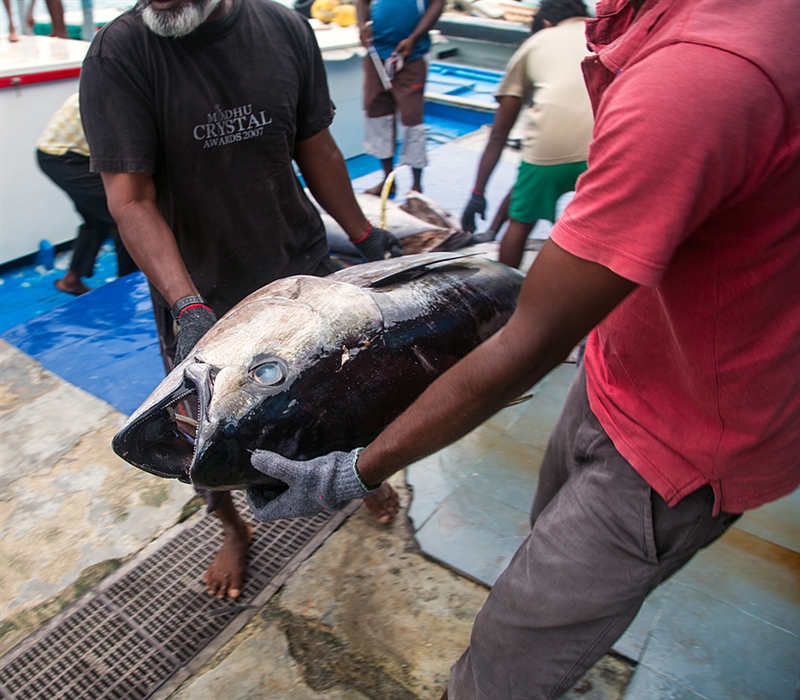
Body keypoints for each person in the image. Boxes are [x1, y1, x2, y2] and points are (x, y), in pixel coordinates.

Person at [242, 0, 800, 697]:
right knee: (543, 549)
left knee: (505, 663)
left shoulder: (699, 78)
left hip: (681, 447)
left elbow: (528, 342)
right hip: (619, 373)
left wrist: (358, 468)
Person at [79, 0, 402, 600]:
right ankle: (231, 528)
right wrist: (186, 306)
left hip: (300, 271)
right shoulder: (119, 54)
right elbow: (130, 199)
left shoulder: (285, 28)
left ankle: (361, 474)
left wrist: (364, 234)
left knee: (341, 397)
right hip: (202, 294)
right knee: (200, 440)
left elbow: (318, 148)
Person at [461, 0, 593, 268]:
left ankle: (505, 296)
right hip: (605, 149)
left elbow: (499, 134)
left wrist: (477, 193)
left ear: (544, 23)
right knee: (594, 231)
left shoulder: (538, 41)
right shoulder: (609, 35)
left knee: (521, 223)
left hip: (548, 154)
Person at [36, 93, 138, 295]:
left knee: (96, 220)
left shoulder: (97, 84)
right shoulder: (113, 97)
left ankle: (70, 280)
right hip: (66, 160)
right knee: (124, 216)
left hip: (57, 156)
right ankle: (128, 288)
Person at [357, 0, 444, 196]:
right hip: (375, 55)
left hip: (410, 57)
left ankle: (416, 188)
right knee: (377, 115)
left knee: (412, 121)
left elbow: (438, 3)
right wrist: (362, 25)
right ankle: (388, 180)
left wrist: (414, 38)